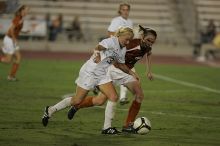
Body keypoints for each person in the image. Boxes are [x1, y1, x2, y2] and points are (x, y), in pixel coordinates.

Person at [65, 25, 157, 134]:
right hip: (114, 68)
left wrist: (149, 70)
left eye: (152, 42)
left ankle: (128, 125)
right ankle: (78, 105)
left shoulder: (147, 47)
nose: (150, 43)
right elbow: (115, 51)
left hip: (126, 71)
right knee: (100, 100)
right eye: (148, 40)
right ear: (142, 37)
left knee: (139, 95)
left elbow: (149, 53)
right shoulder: (131, 43)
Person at [42, 27, 138, 128]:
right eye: (126, 39)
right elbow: (98, 47)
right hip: (90, 71)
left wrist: (132, 73)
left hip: (102, 74)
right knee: (77, 100)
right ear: (120, 35)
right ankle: (51, 110)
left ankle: (107, 128)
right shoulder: (110, 41)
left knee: (113, 97)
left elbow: (120, 65)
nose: (128, 42)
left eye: (130, 40)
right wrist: (97, 55)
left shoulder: (122, 49)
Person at [107, 3, 133, 105]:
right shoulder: (116, 21)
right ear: (120, 11)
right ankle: (96, 85)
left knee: (124, 71)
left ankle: (122, 97)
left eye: (127, 10)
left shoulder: (130, 22)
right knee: (109, 70)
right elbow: (109, 33)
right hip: (114, 50)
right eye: (123, 9)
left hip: (124, 51)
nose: (125, 11)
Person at [0, 5, 30, 81]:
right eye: (26, 10)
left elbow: (16, 29)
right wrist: (13, 39)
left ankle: (11, 76)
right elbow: (11, 29)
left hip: (12, 39)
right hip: (10, 39)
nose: (27, 11)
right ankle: (11, 76)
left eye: (28, 10)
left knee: (18, 57)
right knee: (7, 61)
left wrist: (24, 31)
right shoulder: (18, 18)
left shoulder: (21, 18)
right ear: (22, 10)